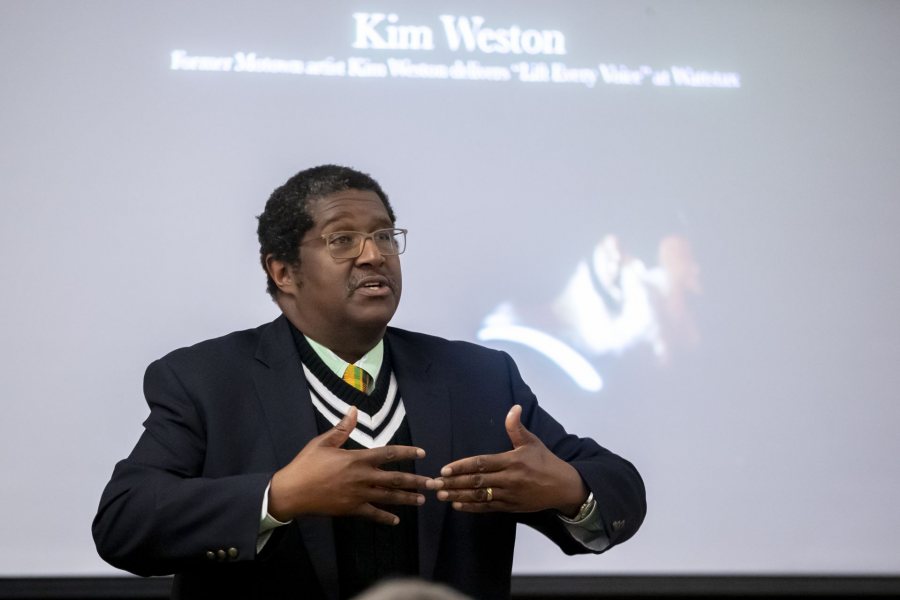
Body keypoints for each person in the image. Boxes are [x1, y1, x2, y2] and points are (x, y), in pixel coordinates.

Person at [92, 165, 646, 600]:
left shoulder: (478, 378)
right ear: (282, 271)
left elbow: (619, 486)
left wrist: (570, 490)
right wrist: (278, 497)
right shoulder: (207, 380)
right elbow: (124, 522)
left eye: (385, 235)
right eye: (342, 240)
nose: (374, 254)